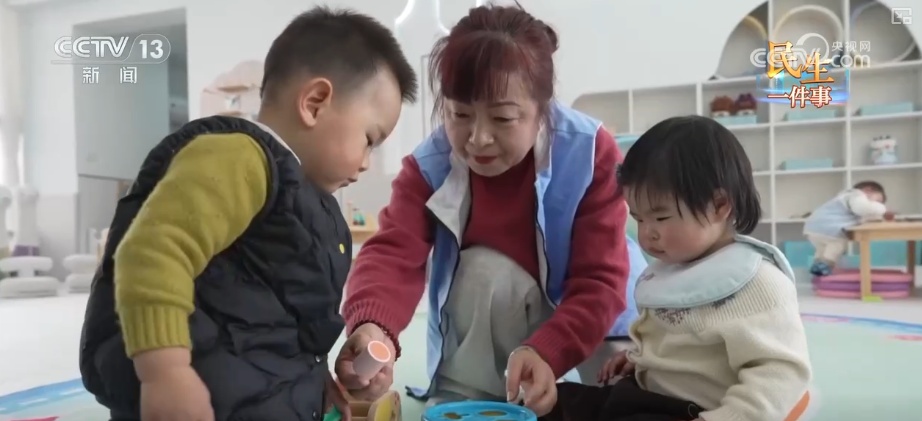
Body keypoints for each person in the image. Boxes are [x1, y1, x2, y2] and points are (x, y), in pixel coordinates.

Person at [78, 7, 417, 421]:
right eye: (369, 139)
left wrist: (312, 384)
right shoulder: (239, 157)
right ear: (314, 103)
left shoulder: (312, 205)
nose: (366, 162)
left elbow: (280, 329)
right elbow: (152, 251)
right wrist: (165, 373)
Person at [333, 3, 647, 417]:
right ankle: (469, 395)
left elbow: (599, 281)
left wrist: (547, 352)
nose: (478, 138)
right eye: (459, 114)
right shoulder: (432, 164)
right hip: (487, 343)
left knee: (612, 395)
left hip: (594, 327)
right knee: (483, 269)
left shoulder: (588, 153)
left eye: (503, 118)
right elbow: (393, 253)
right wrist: (374, 326)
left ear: (542, 110)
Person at [580, 116, 811, 421]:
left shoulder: (756, 281)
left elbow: (780, 374)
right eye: (638, 218)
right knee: (560, 401)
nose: (646, 234)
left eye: (661, 218)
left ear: (719, 205)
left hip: (696, 412)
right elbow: (680, 345)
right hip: (646, 396)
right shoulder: (670, 268)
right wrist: (641, 358)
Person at [803, 181, 892, 276]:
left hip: (813, 228)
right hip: (828, 228)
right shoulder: (856, 195)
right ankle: (824, 266)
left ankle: (817, 266)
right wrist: (883, 209)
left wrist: (879, 217)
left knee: (823, 249)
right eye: (877, 202)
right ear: (867, 191)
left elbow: (864, 215)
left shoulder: (844, 198)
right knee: (838, 245)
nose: (876, 205)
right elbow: (863, 208)